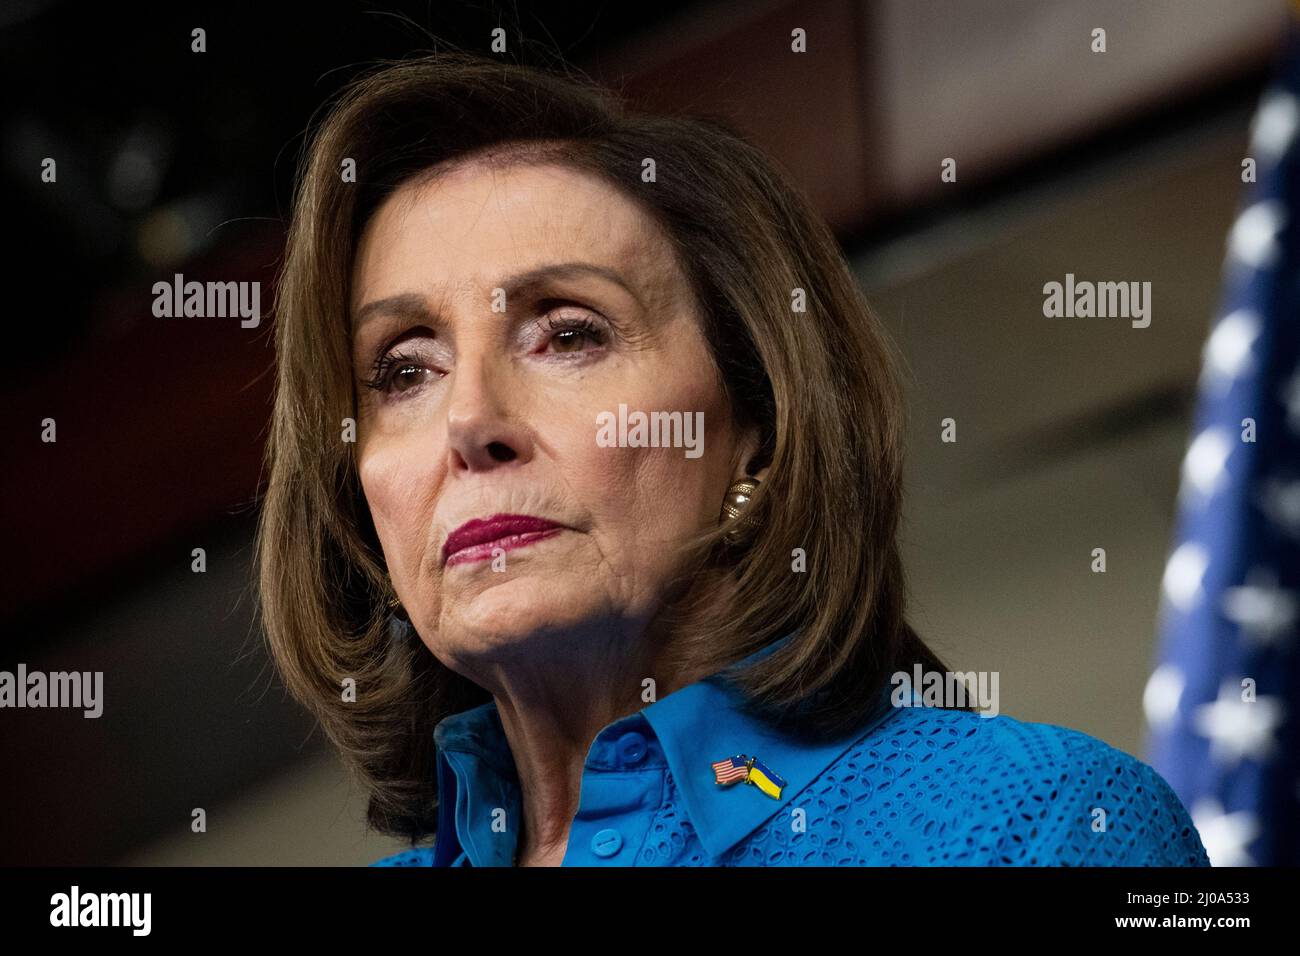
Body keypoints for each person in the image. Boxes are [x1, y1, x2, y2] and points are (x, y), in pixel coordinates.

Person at [255, 52, 1210, 867]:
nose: (471, 420)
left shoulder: (1043, 826)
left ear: (758, 423)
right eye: (403, 369)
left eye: (570, 335)